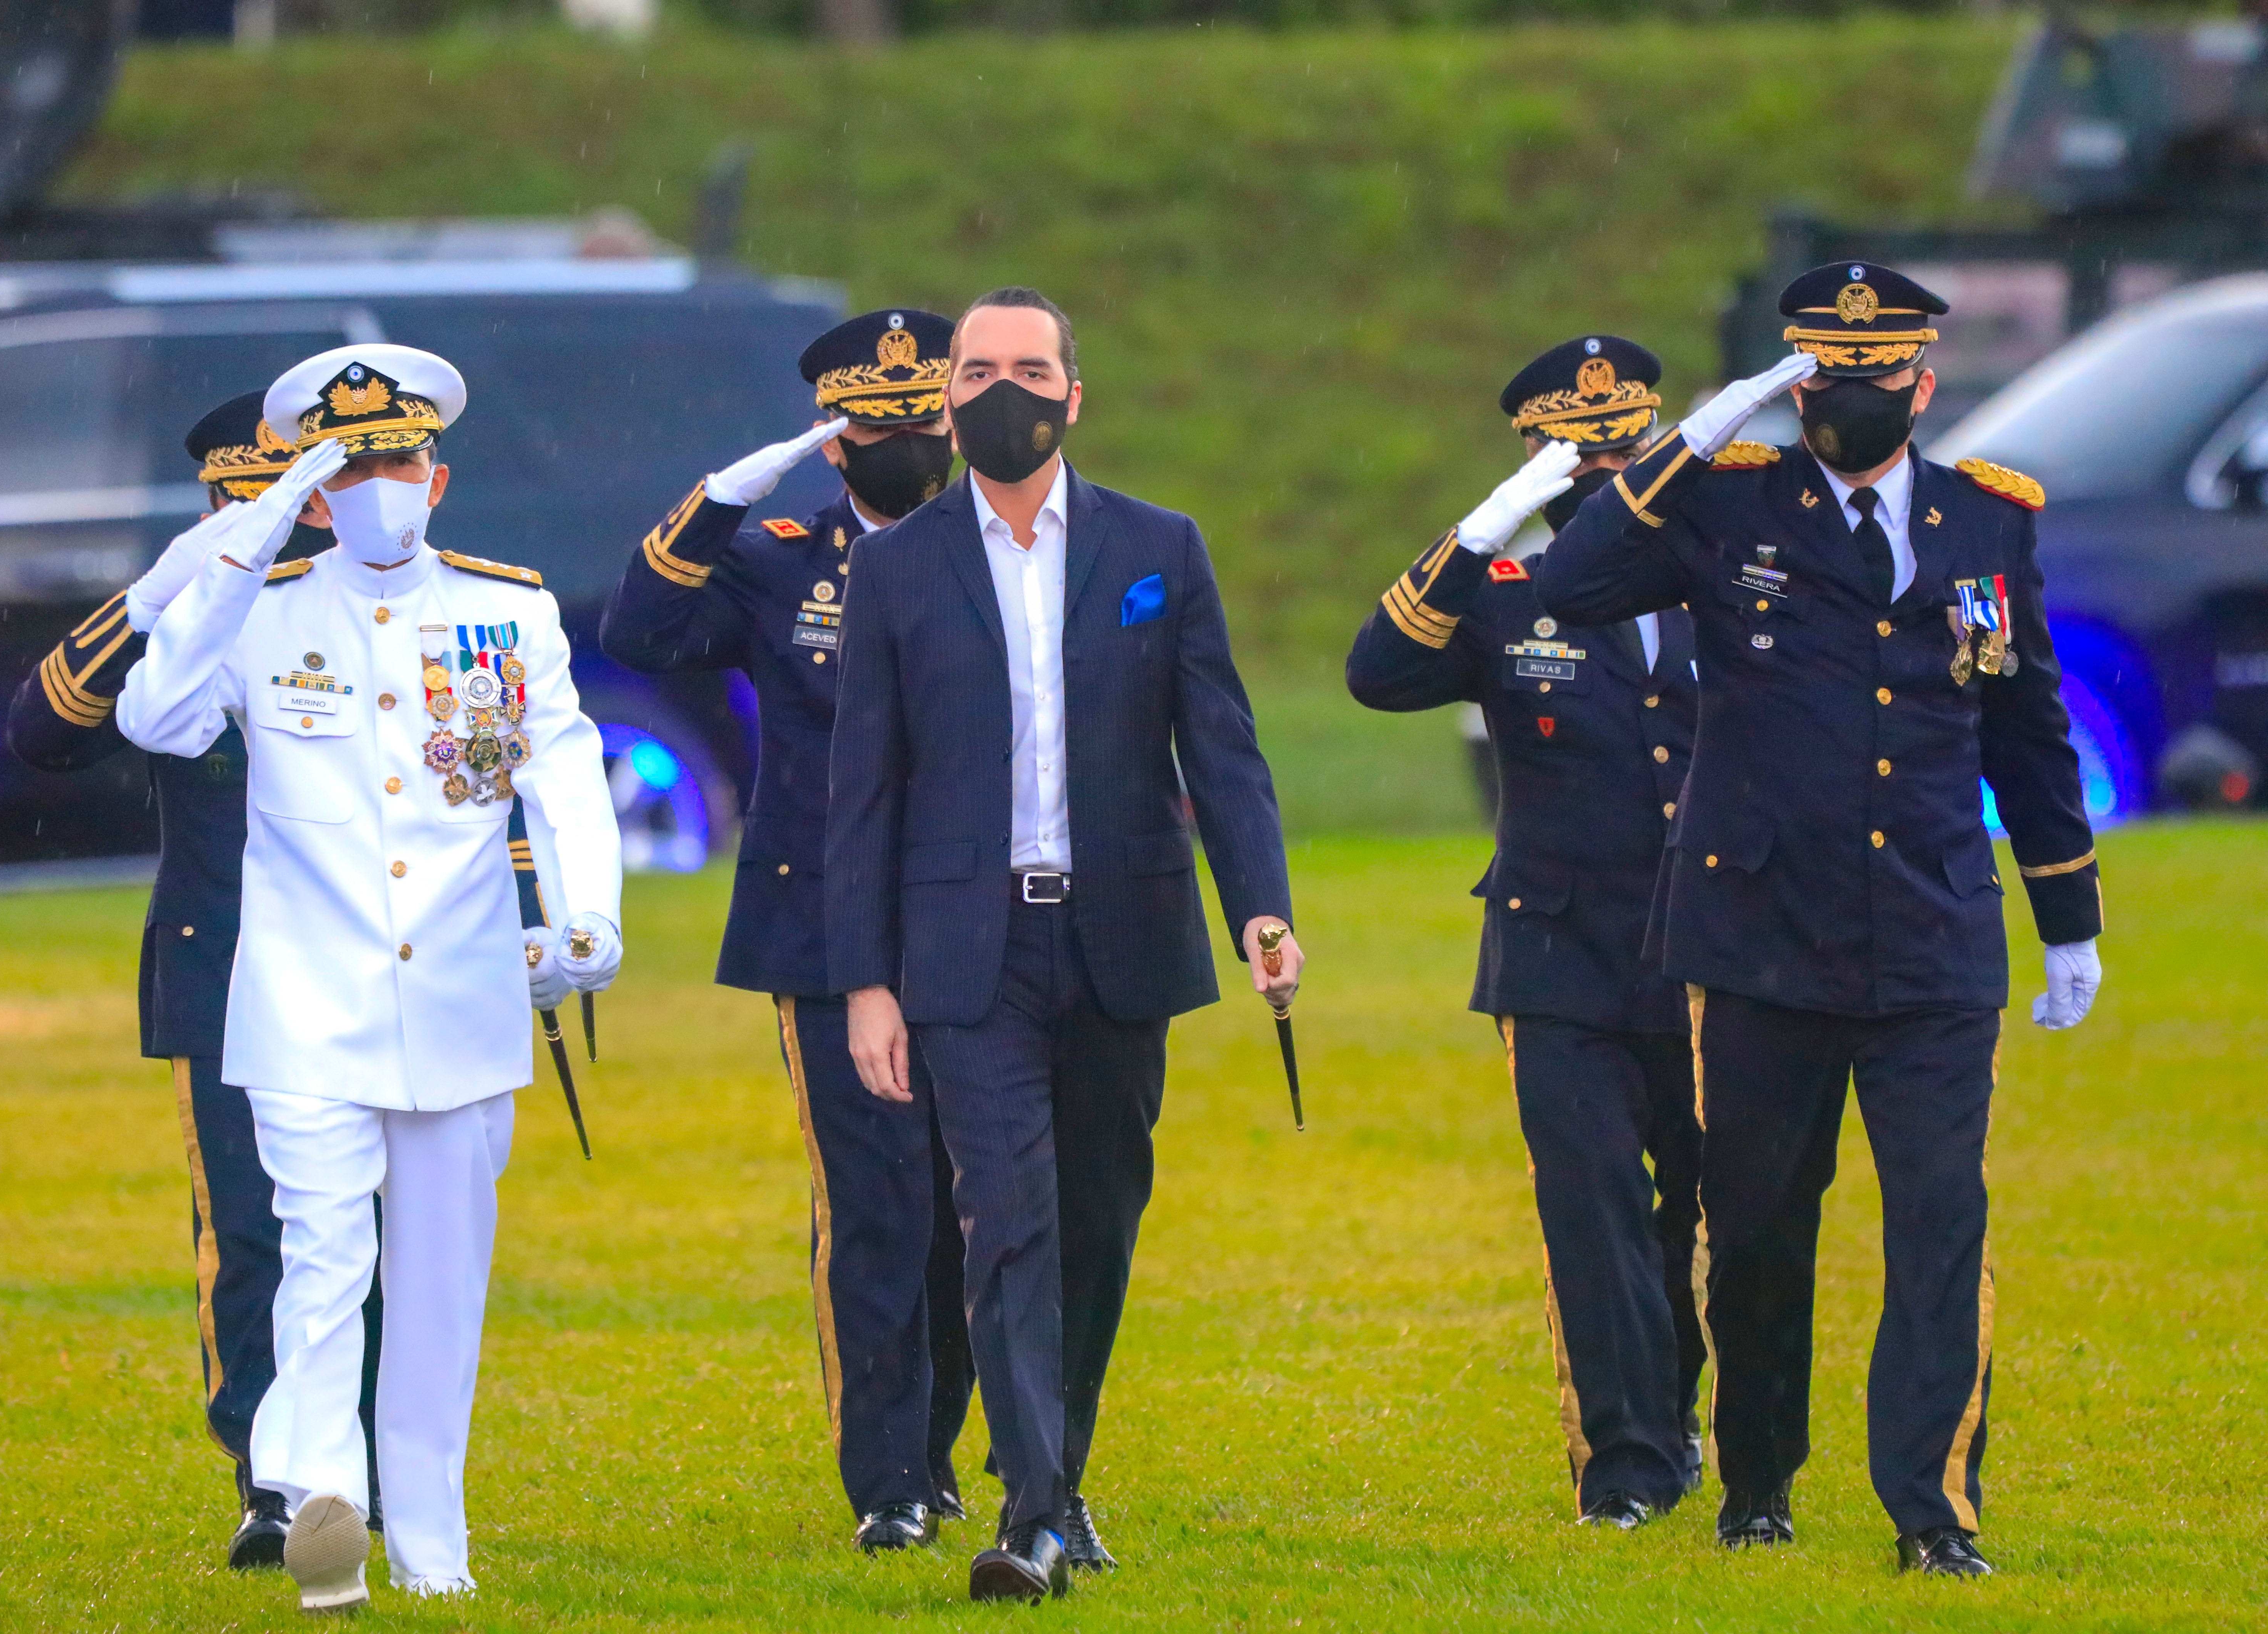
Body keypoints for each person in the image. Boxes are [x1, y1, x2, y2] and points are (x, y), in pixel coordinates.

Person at [1537, 263, 2105, 1576]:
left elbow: (2025, 727)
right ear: (1794, 389)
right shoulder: (1727, 500)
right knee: (1753, 1229)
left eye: (1875, 376)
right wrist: (1689, 440)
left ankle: (1933, 1507)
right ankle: (1756, 1479)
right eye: (1825, 378)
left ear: (1923, 384)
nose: (1851, 397)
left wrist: (2066, 916)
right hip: (1759, 934)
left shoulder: (1987, 519)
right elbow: (1572, 578)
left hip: (1932, 929)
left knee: (1939, 1223)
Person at [118, 344, 624, 1609]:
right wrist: (249, 540)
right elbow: (153, 713)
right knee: (325, 1255)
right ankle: (321, 1501)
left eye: (397, 462)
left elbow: (562, 763)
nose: (377, 489)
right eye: (347, 470)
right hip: (305, 999)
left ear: (437, 478)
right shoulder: (262, 608)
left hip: (461, 996)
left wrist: (588, 913)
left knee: (441, 1291)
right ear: (313, 492)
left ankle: (434, 1547)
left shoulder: (511, 611)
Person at [827, 286, 1302, 1603]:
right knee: (1006, 1219)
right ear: (945, 400)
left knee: (1094, 1225)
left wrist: (1260, 907)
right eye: (977, 369)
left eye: (1029, 369)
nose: (1003, 390)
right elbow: (861, 787)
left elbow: (1221, 748)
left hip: (1120, 937)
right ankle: (1031, 1514)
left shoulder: (1160, 547)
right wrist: (864, 978)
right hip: (964, 951)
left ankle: (1060, 1471)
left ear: (1073, 395)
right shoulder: (896, 566)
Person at [599, 309, 977, 1553]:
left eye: (925, 422)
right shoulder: (779, 558)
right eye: (881, 428)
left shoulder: (1005, 546)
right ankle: (889, 1479)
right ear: (835, 441)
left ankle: (941, 1448)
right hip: (822, 920)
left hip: (976, 911)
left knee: (969, 1201)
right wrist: (717, 500)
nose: (909, 446)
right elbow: (639, 635)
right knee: (873, 1199)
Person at [1346, 336, 1707, 1529]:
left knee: (1705, 1210)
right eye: (1575, 458)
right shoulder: (1506, 592)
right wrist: (1479, 530)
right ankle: (1626, 1462)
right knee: (1591, 1208)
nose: (1604, 473)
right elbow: (1376, 673)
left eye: (1622, 448)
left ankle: (1686, 1417)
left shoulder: (1721, 578)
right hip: (1559, 955)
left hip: (1711, 948)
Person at [6, 391, 367, 1570]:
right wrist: (155, 594)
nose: (273, 527)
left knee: (377, 1228)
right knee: (252, 1231)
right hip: (225, 962)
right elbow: (43, 732)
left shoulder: (371, 604)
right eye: (244, 505)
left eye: (290, 504)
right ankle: (272, 1480)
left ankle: (364, 1460)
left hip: (367, 957)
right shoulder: (188, 621)